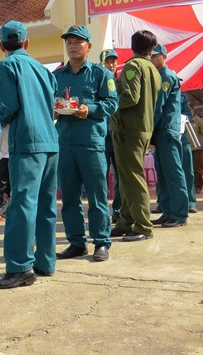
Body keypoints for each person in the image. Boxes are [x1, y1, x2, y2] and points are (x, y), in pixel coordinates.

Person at [0, 20, 59, 288]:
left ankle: (19, 267)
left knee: (22, 205)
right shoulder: (43, 70)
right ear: (27, 43)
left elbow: (4, 107)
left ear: (2, 45)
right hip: (50, 142)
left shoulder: (6, 66)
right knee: (46, 204)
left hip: (27, 143)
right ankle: (45, 262)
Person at [54, 25, 118, 261]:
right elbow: (50, 101)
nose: (72, 46)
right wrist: (54, 110)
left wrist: (88, 109)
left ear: (88, 47)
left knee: (97, 195)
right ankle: (76, 242)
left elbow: (112, 104)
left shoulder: (101, 75)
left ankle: (101, 242)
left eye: (77, 42)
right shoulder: (57, 76)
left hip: (91, 143)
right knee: (69, 197)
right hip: (65, 142)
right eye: (69, 42)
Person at [110, 30, 161, 242]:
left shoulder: (133, 66)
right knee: (127, 178)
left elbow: (130, 96)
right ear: (152, 48)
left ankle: (143, 225)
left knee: (133, 178)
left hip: (128, 129)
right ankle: (126, 221)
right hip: (142, 128)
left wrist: (110, 103)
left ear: (133, 46)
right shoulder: (154, 69)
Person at [149, 45, 189, 228]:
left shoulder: (167, 76)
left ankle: (180, 214)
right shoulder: (157, 76)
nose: (152, 58)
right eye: (151, 55)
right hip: (160, 131)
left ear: (164, 56)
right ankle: (167, 211)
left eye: (155, 56)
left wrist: (148, 129)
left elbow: (158, 106)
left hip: (166, 129)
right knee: (163, 174)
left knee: (173, 172)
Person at [100, 48, 121, 222]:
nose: (111, 64)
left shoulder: (121, 83)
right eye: (108, 61)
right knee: (101, 175)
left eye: (113, 61)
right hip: (102, 135)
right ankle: (102, 212)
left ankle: (119, 210)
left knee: (120, 175)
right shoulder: (98, 81)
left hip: (118, 134)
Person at [180, 93, 197, 213]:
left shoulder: (181, 98)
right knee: (163, 172)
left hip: (182, 139)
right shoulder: (153, 92)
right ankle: (163, 202)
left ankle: (190, 202)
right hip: (162, 139)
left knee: (188, 171)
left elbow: (188, 116)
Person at [190, 106, 203, 192]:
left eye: (190, 109)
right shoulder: (182, 120)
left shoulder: (198, 121)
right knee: (187, 168)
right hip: (185, 148)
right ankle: (189, 186)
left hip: (197, 149)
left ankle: (198, 186)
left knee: (197, 169)